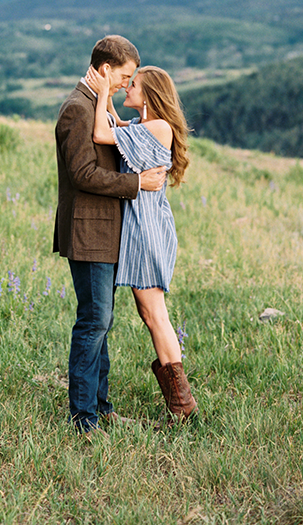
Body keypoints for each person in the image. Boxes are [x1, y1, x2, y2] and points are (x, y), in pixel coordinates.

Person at [54, 35, 167, 434]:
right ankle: (83, 417)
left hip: (106, 231)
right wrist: (136, 184)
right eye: (124, 76)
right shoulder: (76, 110)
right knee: (93, 321)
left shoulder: (93, 106)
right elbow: (83, 175)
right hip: (88, 232)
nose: (125, 83)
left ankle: (101, 408)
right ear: (105, 70)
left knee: (103, 321)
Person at [84, 62, 197, 420]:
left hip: (147, 230)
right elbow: (116, 127)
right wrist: (110, 101)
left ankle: (183, 408)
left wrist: (103, 92)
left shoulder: (159, 127)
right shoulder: (143, 125)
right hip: (140, 227)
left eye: (134, 84)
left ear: (150, 93)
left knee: (155, 315)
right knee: (150, 314)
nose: (127, 87)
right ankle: (181, 406)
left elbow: (102, 134)